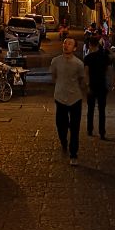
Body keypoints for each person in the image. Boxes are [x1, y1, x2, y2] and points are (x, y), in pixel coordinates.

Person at [50, 37, 85, 165]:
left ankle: (73, 153)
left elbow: (81, 79)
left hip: (75, 98)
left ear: (74, 48)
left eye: (69, 44)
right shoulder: (55, 61)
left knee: (75, 127)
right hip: (60, 97)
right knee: (61, 124)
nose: (66, 45)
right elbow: (53, 76)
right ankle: (63, 140)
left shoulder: (79, 64)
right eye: (65, 43)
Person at [83, 36, 112, 140]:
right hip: (102, 85)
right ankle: (102, 132)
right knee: (102, 110)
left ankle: (90, 129)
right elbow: (109, 71)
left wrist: (87, 85)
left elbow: (86, 73)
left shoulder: (88, 58)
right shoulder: (105, 56)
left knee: (90, 109)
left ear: (90, 45)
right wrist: (109, 83)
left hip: (92, 86)